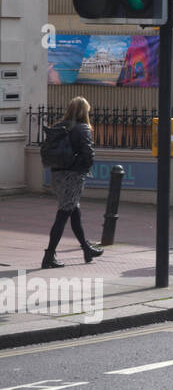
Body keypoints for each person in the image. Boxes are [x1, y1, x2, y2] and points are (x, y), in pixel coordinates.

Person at [42, 97, 103, 269]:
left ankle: (86, 248)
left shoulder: (58, 126)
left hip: (57, 174)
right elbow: (88, 154)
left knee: (74, 211)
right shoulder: (83, 128)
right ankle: (49, 256)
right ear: (85, 111)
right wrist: (81, 170)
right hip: (73, 176)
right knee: (63, 214)